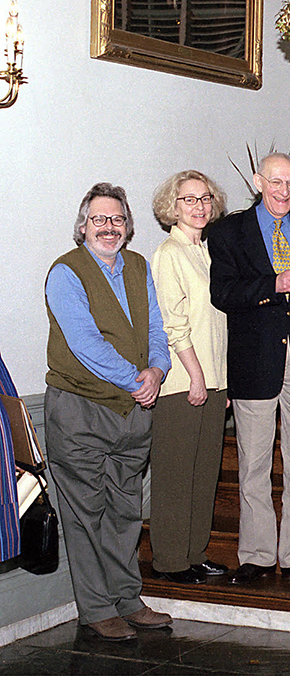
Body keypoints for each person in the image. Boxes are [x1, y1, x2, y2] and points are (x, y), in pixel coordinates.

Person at [44, 182, 173, 641]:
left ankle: (127, 599)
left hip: (133, 412)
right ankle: (97, 609)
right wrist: (137, 380)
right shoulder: (66, 272)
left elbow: (157, 326)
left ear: (128, 226)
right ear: (83, 226)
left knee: (124, 511)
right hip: (80, 410)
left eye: (117, 219)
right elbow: (84, 344)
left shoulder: (137, 266)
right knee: (85, 513)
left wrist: (158, 369)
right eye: (99, 219)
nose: (109, 227)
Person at [208, 153, 290, 588]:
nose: (284, 192)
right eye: (276, 182)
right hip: (254, 362)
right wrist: (273, 285)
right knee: (254, 465)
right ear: (257, 181)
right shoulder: (228, 232)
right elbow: (223, 293)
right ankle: (258, 556)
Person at [149, 170, 229, 585]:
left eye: (204, 199)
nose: (199, 207)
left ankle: (194, 552)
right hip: (183, 383)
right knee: (176, 475)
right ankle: (169, 560)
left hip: (214, 381)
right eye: (189, 200)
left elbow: (218, 323)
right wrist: (197, 376)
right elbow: (173, 325)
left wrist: (221, 382)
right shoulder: (169, 253)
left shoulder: (208, 252)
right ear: (172, 207)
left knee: (204, 472)